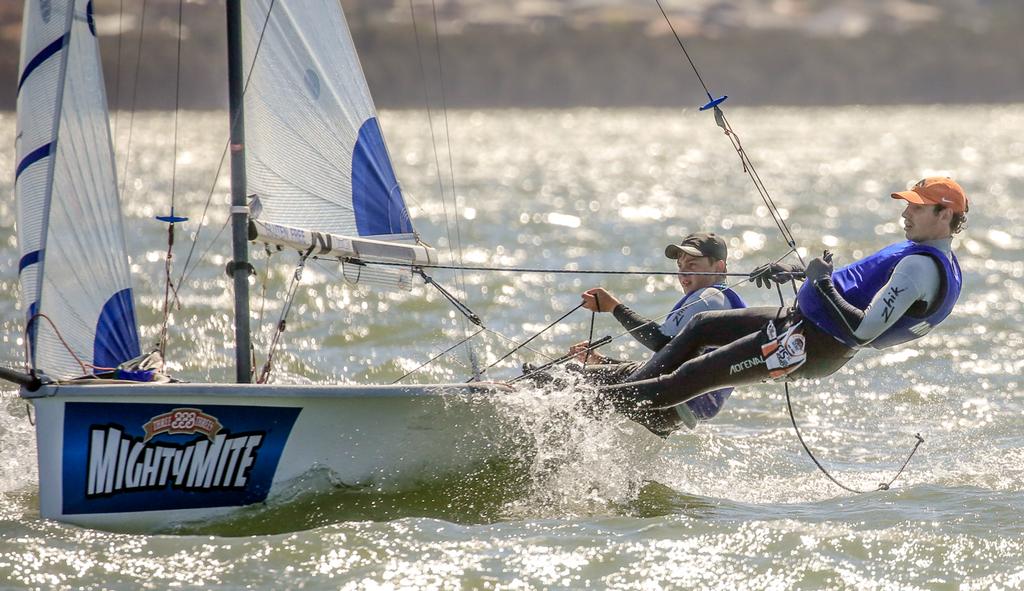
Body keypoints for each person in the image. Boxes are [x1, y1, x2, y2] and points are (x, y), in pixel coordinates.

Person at [594, 177, 968, 432]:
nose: (906, 214)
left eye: (917, 208)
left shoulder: (919, 268)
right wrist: (798, 273)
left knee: (690, 378)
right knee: (704, 324)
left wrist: (820, 283)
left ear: (945, 214)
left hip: (807, 345)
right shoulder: (931, 256)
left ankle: (590, 406)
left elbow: (863, 330)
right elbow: (853, 285)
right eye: (908, 206)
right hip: (800, 322)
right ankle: (629, 390)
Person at [566, 232, 746, 435]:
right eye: (680, 267)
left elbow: (660, 341)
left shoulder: (710, 297)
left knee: (570, 380)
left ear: (719, 267)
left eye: (692, 265)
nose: (683, 274)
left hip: (666, 399)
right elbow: (666, 359)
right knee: (588, 385)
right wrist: (601, 361)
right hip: (677, 411)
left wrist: (613, 306)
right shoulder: (726, 303)